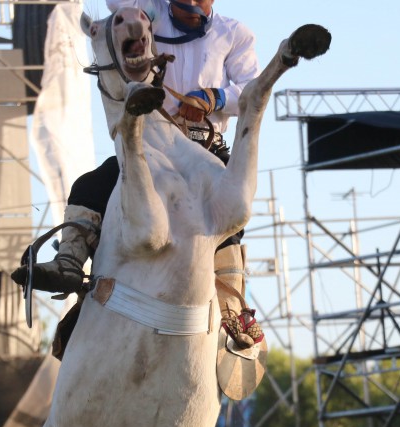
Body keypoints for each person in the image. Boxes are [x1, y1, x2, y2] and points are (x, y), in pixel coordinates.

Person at [14, 0, 263, 349]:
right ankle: (69, 261)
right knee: (89, 186)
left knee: (228, 210)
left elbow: (252, 88)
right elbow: (117, 5)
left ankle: (231, 301)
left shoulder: (235, 34)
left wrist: (214, 97)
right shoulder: (149, 11)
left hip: (205, 147)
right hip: (152, 145)